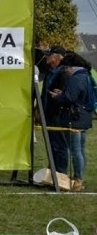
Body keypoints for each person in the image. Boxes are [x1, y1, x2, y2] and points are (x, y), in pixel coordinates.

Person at [48, 52, 94, 192]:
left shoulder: (76, 78)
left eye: (66, 68)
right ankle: (79, 177)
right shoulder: (86, 76)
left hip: (74, 119)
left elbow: (70, 98)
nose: (65, 72)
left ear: (71, 66)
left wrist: (58, 96)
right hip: (84, 118)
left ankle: (78, 179)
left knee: (75, 151)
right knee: (80, 150)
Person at [40, 46, 70, 179]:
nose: (47, 57)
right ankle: (53, 170)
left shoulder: (65, 72)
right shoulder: (50, 72)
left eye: (50, 55)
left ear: (58, 57)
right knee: (52, 144)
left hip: (59, 113)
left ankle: (61, 174)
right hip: (48, 113)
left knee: (60, 145)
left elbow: (65, 93)